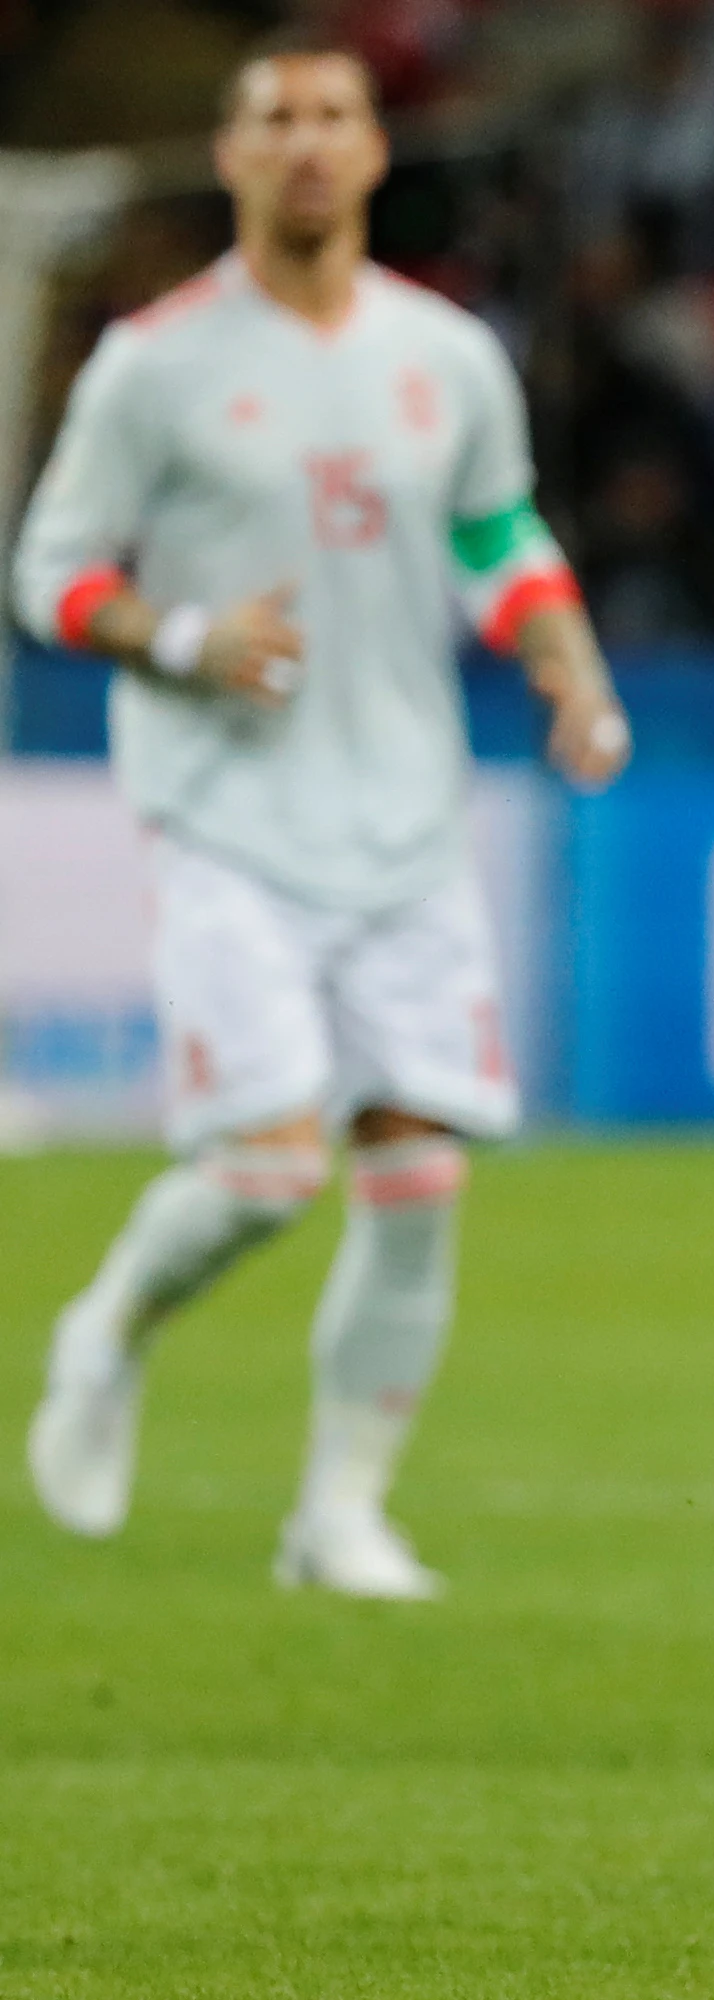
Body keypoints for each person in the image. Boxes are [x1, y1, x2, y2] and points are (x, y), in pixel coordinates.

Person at [14, 41, 629, 1599]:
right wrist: (176, 637)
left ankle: (338, 1513)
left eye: (335, 117)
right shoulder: (153, 361)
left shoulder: (446, 353)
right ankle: (107, 1329)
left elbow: (496, 533)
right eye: (275, 118)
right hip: (225, 810)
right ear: (227, 155)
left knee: (417, 1171)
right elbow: (48, 569)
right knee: (271, 1163)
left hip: (405, 815)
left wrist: (568, 671)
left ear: (372, 153)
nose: (307, 143)